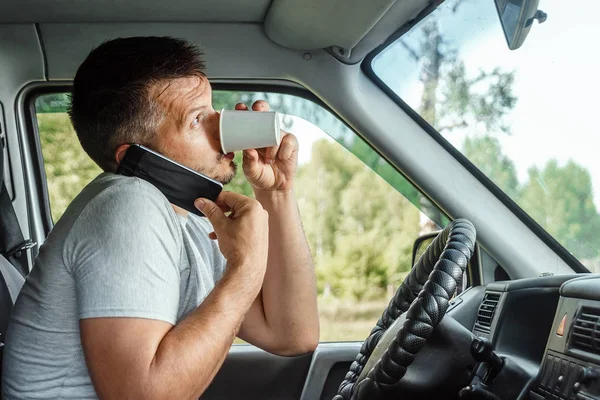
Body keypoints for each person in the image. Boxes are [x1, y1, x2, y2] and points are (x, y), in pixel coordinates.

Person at [2, 36, 319, 399]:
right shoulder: (127, 205)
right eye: (197, 119)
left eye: (213, 108)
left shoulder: (191, 223)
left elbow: (292, 335)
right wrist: (244, 268)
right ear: (136, 156)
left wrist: (276, 194)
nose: (222, 125)